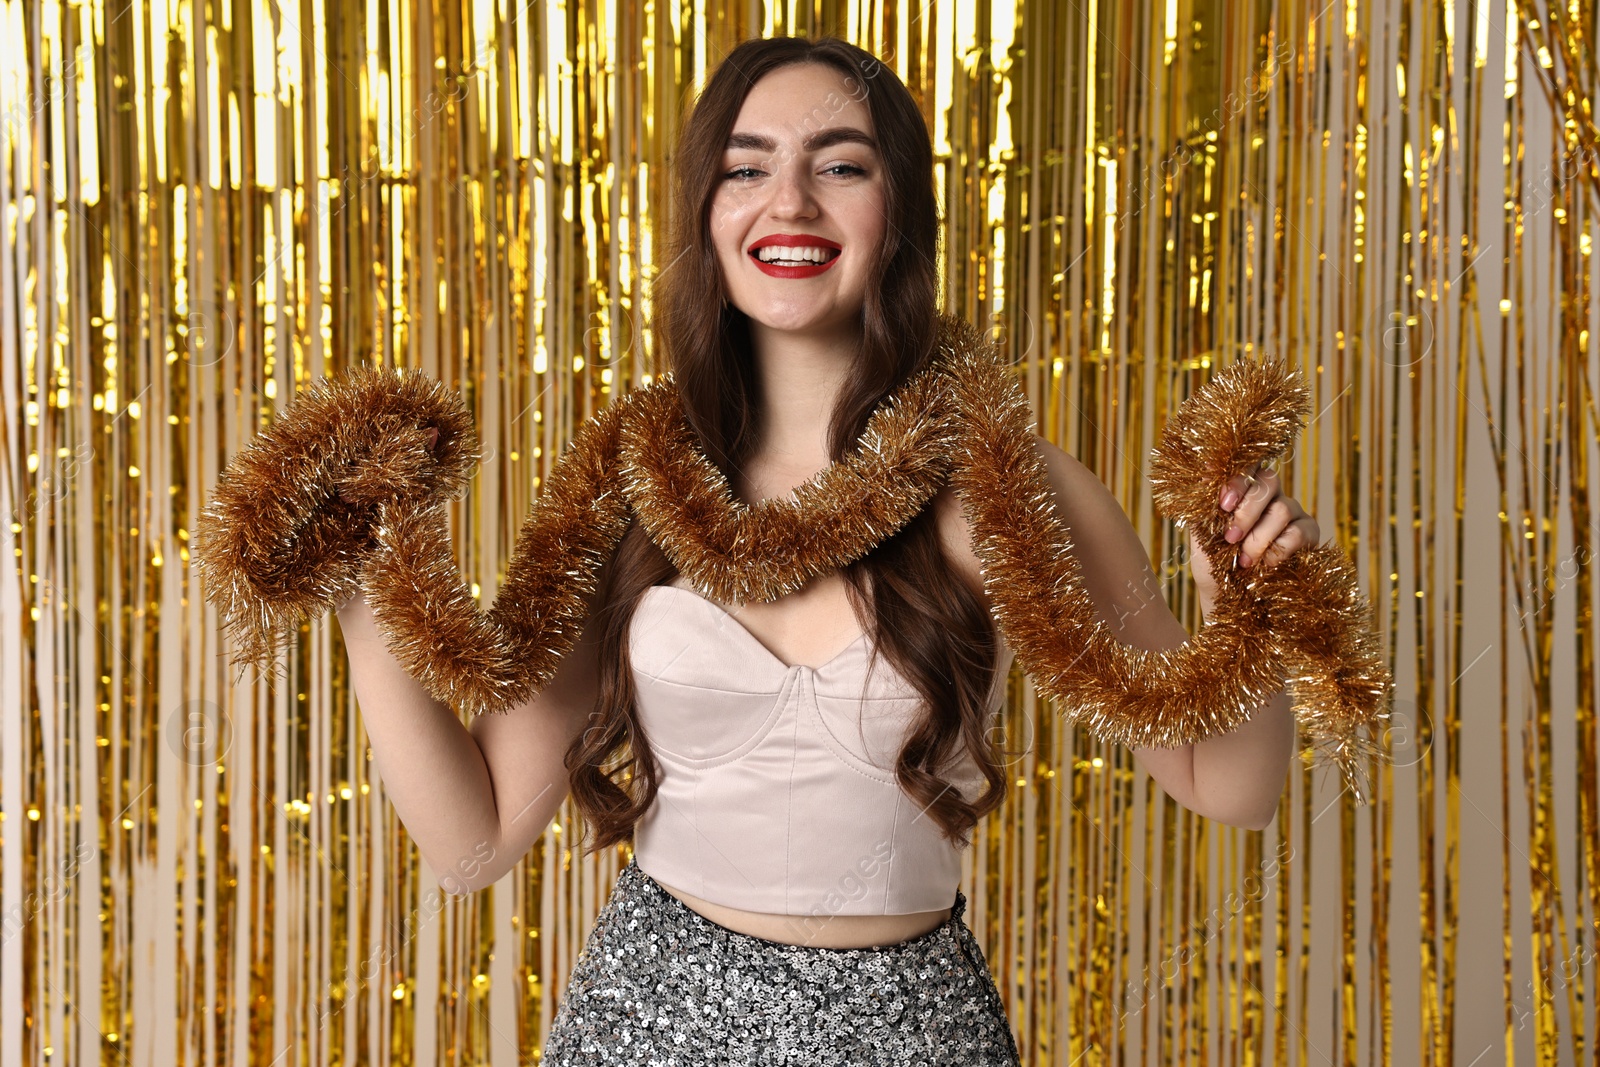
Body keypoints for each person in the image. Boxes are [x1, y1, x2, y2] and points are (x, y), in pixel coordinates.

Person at [331, 35, 1319, 1065]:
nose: (789, 201)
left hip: (914, 1034)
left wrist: (1246, 610)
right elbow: (476, 838)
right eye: (746, 167)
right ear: (706, 216)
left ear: (898, 214)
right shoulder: (635, 481)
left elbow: (1229, 785)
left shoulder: (1010, 485)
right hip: (649, 1025)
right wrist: (358, 592)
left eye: (840, 164)